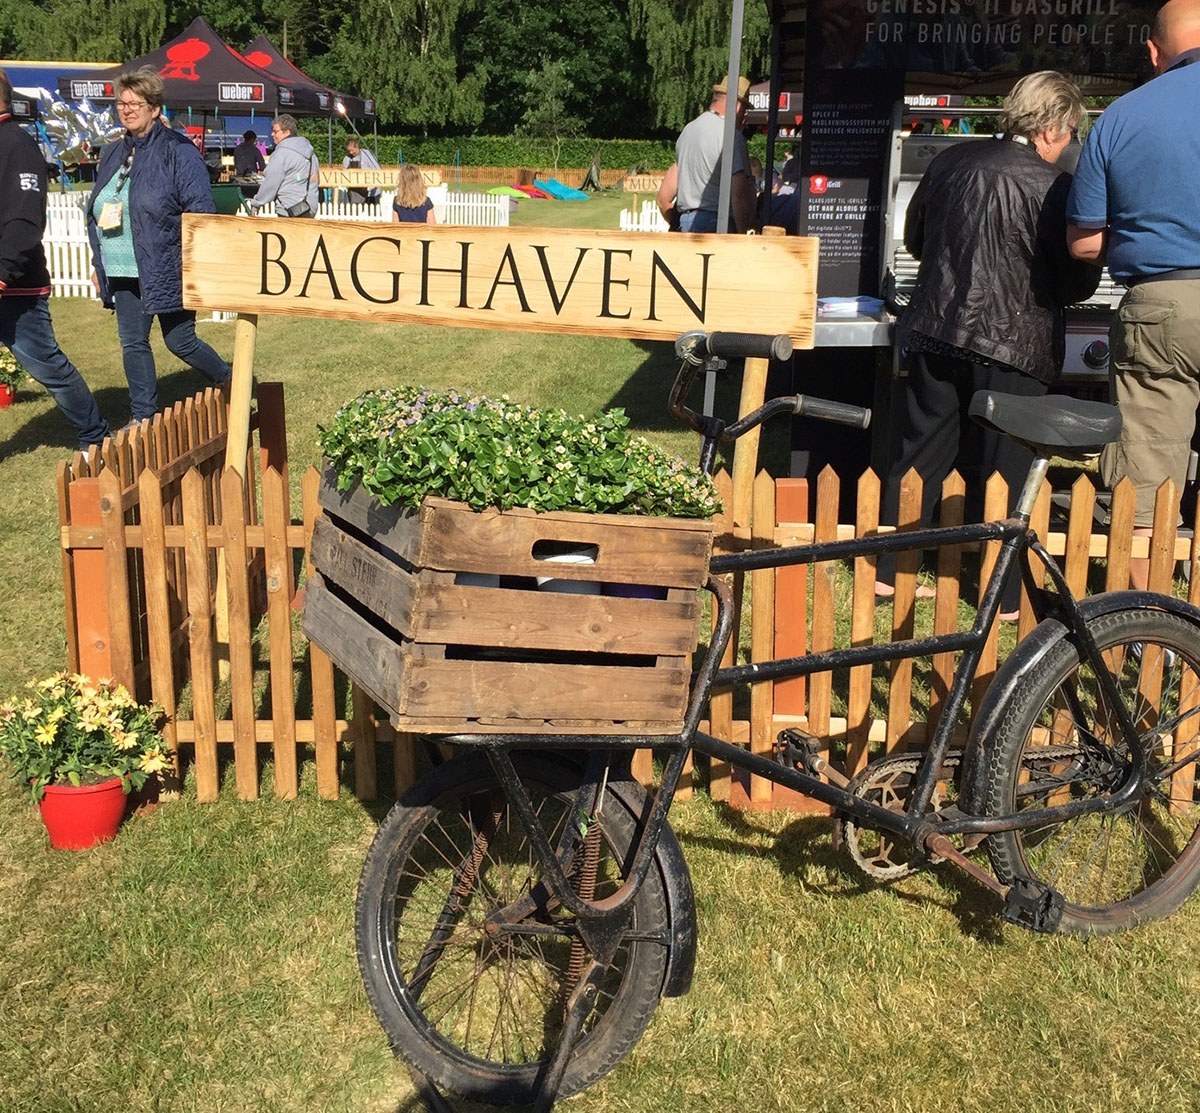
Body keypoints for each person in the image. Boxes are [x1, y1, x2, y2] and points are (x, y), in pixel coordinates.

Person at [876, 71, 1101, 614]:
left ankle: (886, 575)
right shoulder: (1056, 187)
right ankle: (1000, 594)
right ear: (1053, 127)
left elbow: (916, 237)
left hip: (936, 330)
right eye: (1071, 133)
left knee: (920, 454)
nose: (1069, 144)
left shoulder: (950, 161)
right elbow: (1074, 278)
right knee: (1008, 466)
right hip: (1013, 342)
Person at [1067, 0, 1200, 592]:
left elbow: (1084, 241)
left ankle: (1154, 638)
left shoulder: (1121, 117)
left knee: (1146, 482)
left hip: (1161, 305)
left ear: (1153, 51)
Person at [87, 66, 231, 424]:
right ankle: (143, 417)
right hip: (121, 265)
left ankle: (231, 381)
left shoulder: (178, 151)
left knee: (179, 340)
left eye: (136, 103)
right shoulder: (112, 153)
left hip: (165, 262)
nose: (127, 109)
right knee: (132, 342)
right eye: (122, 102)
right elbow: (97, 208)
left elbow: (200, 209)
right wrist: (98, 262)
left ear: (155, 107)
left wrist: (199, 264)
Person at [0, 68, 109, 449]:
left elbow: (25, 218)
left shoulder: (16, 145)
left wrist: (3, 272)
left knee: (48, 367)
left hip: (15, 285)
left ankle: (95, 436)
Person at [656, 75, 755, 234]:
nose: (744, 117)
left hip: (685, 222)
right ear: (737, 106)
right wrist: (743, 236)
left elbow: (663, 198)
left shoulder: (688, 131)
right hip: (718, 224)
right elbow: (738, 195)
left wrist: (681, 223)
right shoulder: (731, 136)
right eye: (745, 110)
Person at [247, 114, 319, 219]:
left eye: (275, 131)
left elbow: (271, 182)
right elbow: (315, 180)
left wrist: (257, 203)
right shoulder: (311, 154)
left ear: (286, 132)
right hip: (309, 208)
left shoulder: (281, 153)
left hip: (289, 210)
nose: (272, 134)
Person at [341, 136, 381, 206]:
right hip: (356, 193)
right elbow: (343, 174)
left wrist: (371, 183)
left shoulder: (367, 154)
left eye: (352, 150)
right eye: (349, 151)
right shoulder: (347, 158)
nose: (350, 152)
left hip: (372, 192)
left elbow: (378, 169)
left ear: (356, 146)